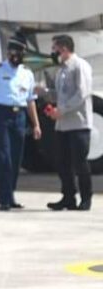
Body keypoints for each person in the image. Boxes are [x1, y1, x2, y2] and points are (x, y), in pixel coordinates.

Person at [0, 36, 41, 211]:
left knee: (16, 158)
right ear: (9, 53)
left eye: (20, 54)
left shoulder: (27, 73)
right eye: (15, 53)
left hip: (19, 116)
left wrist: (36, 124)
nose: (17, 57)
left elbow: (30, 101)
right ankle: (3, 198)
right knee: (3, 158)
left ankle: (10, 195)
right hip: (1, 115)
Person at [46, 34, 94, 212]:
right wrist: (44, 92)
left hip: (78, 124)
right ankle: (68, 197)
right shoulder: (61, 70)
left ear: (64, 48)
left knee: (80, 163)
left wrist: (62, 110)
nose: (53, 52)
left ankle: (86, 198)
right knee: (63, 163)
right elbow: (60, 94)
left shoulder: (80, 66)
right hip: (63, 125)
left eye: (55, 48)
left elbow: (82, 93)